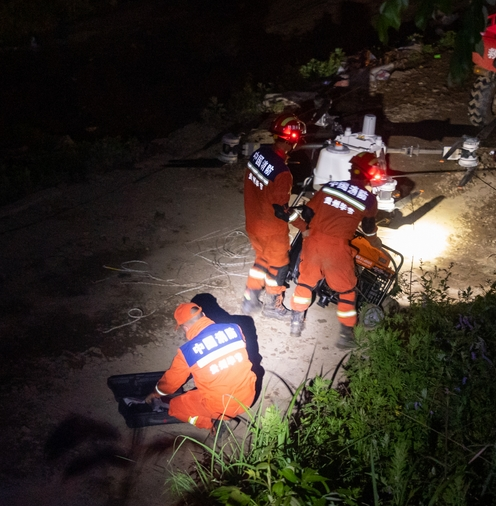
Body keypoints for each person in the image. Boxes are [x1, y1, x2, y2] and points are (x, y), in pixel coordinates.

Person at [289, 152, 383, 348]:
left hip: (313, 242)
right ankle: (346, 336)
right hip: (337, 249)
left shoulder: (330, 186)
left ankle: (296, 323)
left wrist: (313, 228)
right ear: (370, 175)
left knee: (305, 282)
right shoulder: (368, 199)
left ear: (351, 168)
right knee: (347, 290)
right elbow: (368, 229)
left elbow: (308, 212)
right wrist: (375, 242)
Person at [145, 302, 257, 429]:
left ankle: (215, 424)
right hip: (248, 396)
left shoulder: (187, 352)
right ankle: (221, 417)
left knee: (176, 407)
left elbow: (170, 383)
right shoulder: (234, 328)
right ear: (203, 314)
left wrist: (156, 393)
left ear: (185, 328)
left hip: (221, 408)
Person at [241, 112, 305, 317]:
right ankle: (272, 307)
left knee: (261, 259)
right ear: (293, 141)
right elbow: (281, 210)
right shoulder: (283, 173)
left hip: (253, 223)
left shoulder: (258, 154)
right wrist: (302, 225)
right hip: (271, 230)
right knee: (279, 266)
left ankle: (250, 299)